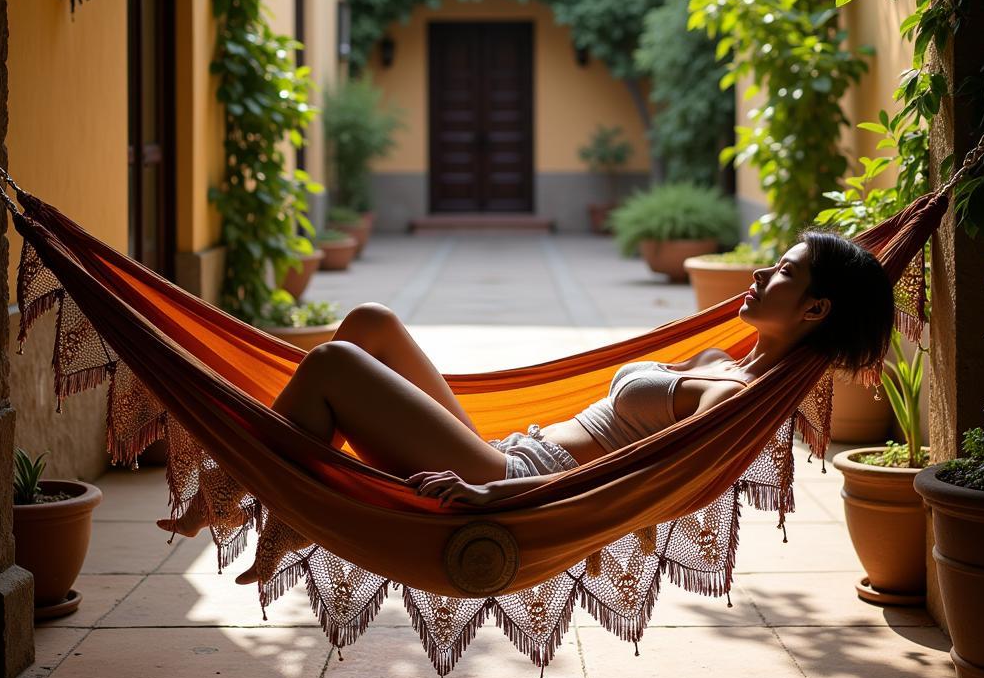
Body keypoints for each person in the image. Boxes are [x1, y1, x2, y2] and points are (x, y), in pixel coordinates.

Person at [157, 228, 894, 585]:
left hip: (516, 483)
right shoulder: (723, 361)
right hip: (511, 447)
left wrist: (498, 493)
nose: (764, 270)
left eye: (786, 272)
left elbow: (640, 489)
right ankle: (278, 508)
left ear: (815, 309)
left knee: (330, 366)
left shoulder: (728, 398)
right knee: (371, 323)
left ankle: (237, 494)